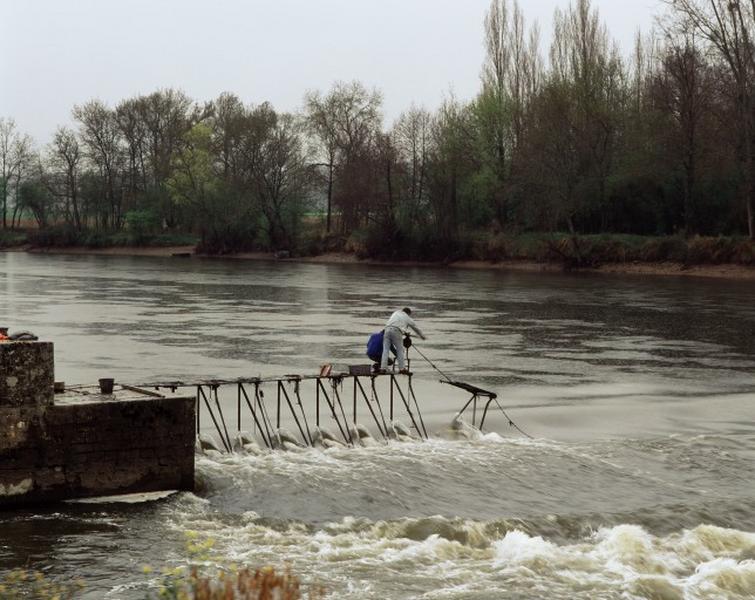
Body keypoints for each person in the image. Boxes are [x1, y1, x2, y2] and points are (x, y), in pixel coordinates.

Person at [381, 307, 426, 374]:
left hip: (387, 330)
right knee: (400, 350)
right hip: (396, 331)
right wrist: (422, 336)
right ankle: (402, 368)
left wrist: (403, 332)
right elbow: (415, 327)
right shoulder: (407, 317)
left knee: (385, 350)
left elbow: (395, 324)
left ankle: (383, 368)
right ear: (408, 313)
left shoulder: (396, 313)